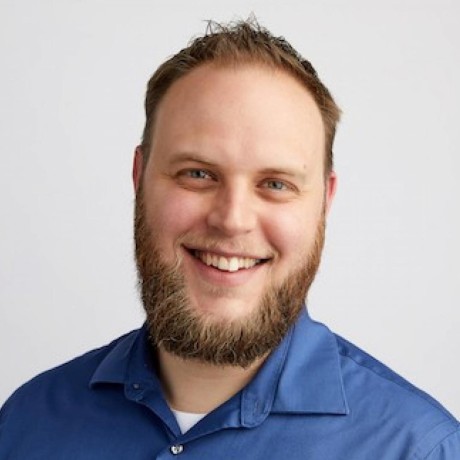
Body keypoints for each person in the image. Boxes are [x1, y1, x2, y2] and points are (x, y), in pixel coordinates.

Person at [1, 19, 459, 459]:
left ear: (325, 202)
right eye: (197, 174)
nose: (232, 220)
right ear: (139, 177)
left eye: (276, 184)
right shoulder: (25, 423)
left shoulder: (419, 450)